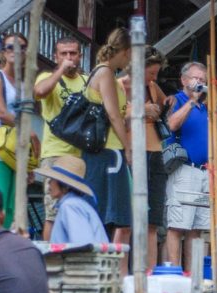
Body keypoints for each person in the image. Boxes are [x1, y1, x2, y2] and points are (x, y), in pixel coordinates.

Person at [82, 27, 133, 275]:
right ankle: (108, 271)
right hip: (108, 152)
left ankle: (110, 270)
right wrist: (128, 146)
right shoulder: (105, 73)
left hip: (106, 152)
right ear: (125, 52)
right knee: (114, 215)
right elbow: (113, 115)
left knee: (114, 215)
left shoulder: (105, 73)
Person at [0, 32, 36, 229]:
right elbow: (1, 112)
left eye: (21, 47)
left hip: (15, 153)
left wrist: (29, 164)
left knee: (12, 211)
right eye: (11, 47)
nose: (15, 51)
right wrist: (28, 131)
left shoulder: (23, 84)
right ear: (3, 52)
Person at [118, 46, 169, 268]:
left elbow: (165, 105)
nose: (154, 78)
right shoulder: (119, 86)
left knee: (153, 220)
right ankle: (128, 271)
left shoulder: (153, 87)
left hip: (156, 152)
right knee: (129, 217)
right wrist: (141, 110)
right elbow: (115, 118)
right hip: (132, 152)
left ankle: (148, 273)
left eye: (156, 74)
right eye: (151, 73)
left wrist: (160, 108)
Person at [34, 36, 86, 241]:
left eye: (73, 53)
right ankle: (47, 264)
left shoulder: (86, 80)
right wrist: (60, 71)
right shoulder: (47, 76)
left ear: (80, 56)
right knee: (52, 214)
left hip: (82, 155)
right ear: (55, 56)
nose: (69, 57)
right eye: (63, 54)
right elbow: (39, 92)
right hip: (55, 154)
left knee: (78, 210)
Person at [164, 61, 210, 270]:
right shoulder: (178, 99)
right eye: (195, 78)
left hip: (203, 171)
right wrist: (191, 101)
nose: (199, 83)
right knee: (177, 225)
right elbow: (171, 124)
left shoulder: (205, 107)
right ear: (183, 80)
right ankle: (174, 273)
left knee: (197, 227)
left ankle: (193, 277)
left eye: (202, 79)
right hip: (184, 169)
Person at [34, 155, 108, 245]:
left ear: (64, 184)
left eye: (52, 179)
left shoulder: (70, 205)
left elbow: (83, 245)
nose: (49, 183)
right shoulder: (73, 204)